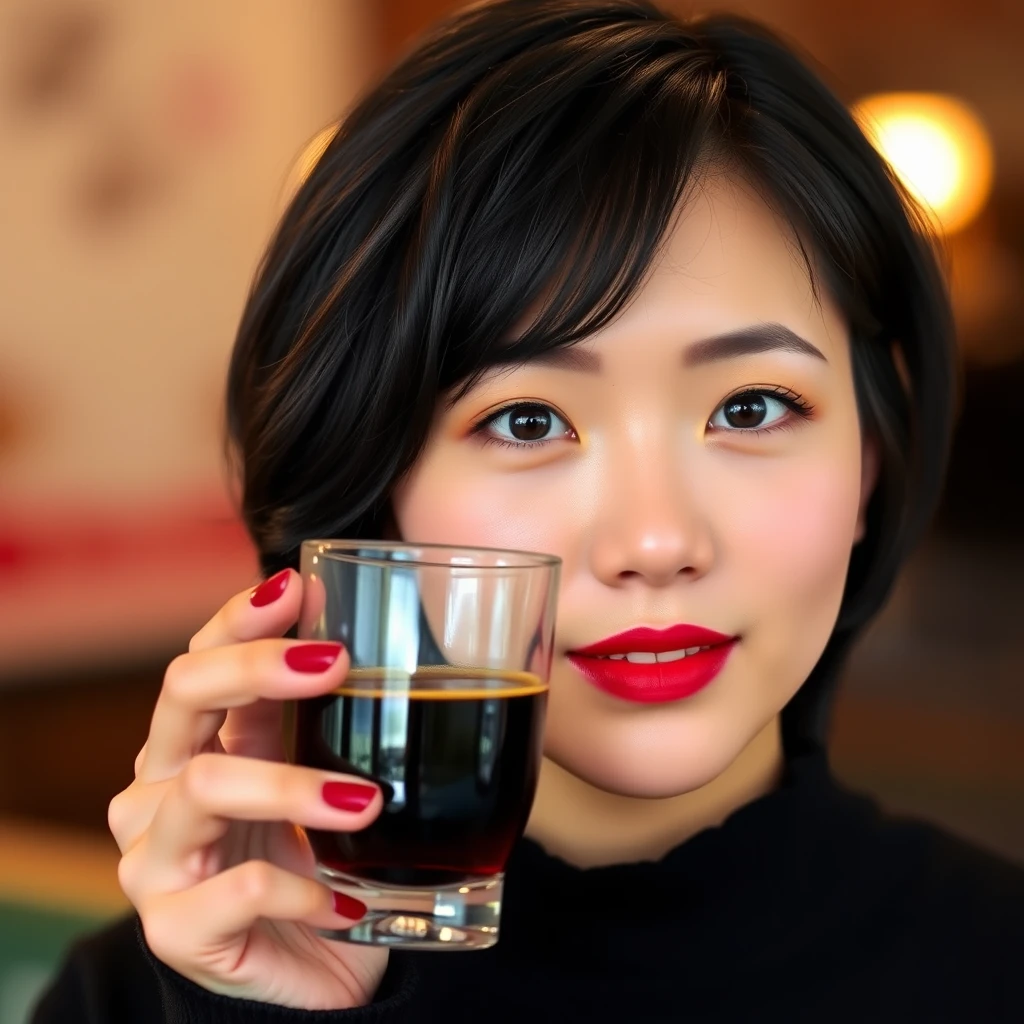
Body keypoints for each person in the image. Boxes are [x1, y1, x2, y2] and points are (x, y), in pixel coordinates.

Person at [32, 1, 1024, 1021]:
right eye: (526, 421)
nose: (654, 541)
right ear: (377, 499)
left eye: (750, 407)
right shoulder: (136, 1000)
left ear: (869, 458)